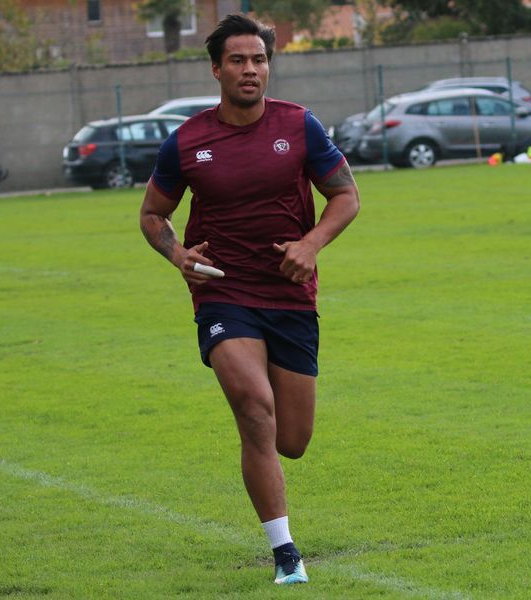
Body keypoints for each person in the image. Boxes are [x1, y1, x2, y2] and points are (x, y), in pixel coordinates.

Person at [139, 13, 359, 585]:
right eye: (237, 60)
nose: (250, 69)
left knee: (293, 440)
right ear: (216, 69)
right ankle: (285, 553)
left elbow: (346, 196)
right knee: (254, 409)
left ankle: (273, 493)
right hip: (223, 292)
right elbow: (153, 214)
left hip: (290, 296)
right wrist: (178, 255)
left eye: (258, 59)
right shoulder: (187, 141)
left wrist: (311, 244)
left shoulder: (300, 125)